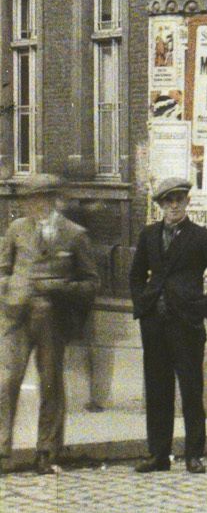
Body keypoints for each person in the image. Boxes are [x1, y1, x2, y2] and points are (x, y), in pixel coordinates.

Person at [128, 175, 207, 474]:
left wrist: (202, 308)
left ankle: (193, 454)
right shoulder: (149, 236)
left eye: (179, 199)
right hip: (154, 326)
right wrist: (143, 305)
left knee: (191, 389)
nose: (174, 205)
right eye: (168, 200)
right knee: (157, 389)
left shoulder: (202, 237)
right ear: (160, 205)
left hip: (185, 324)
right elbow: (136, 275)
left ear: (188, 202)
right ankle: (159, 454)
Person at [0, 172, 99, 474]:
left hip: (53, 322)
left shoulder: (74, 234)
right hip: (17, 318)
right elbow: (3, 269)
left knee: (51, 385)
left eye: (41, 197)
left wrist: (60, 288)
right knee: (6, 382)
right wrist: (10, 289)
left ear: (53, 199)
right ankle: (2, 449)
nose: (34, 204)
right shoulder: (16, 229)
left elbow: (92, 282)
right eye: (30, 198)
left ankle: (46, 451)